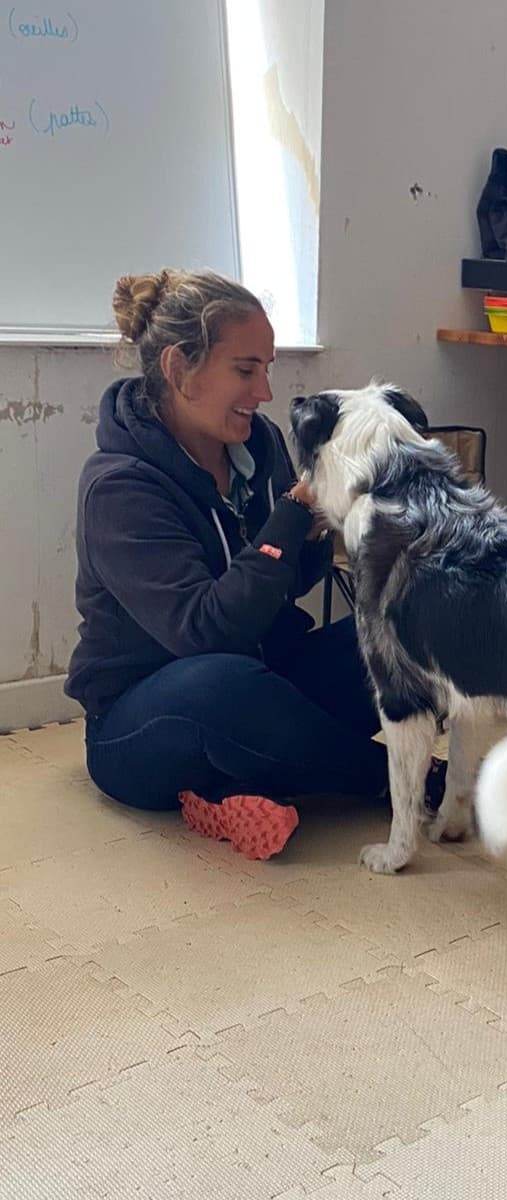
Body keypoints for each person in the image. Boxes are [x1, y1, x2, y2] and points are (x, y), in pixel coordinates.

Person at [66, 269, 388, 859]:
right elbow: (206, 632)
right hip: (143, 721)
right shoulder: (119, 489)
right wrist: (292, 516)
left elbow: (289, 581)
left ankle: (241, 781)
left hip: (262, 671)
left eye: (266, 367)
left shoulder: (257, 443)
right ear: (177, 367)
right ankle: (396, 780)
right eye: (246, 369)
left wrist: (327, 522)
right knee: (223, 687)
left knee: (401, 636)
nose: (265, 391)